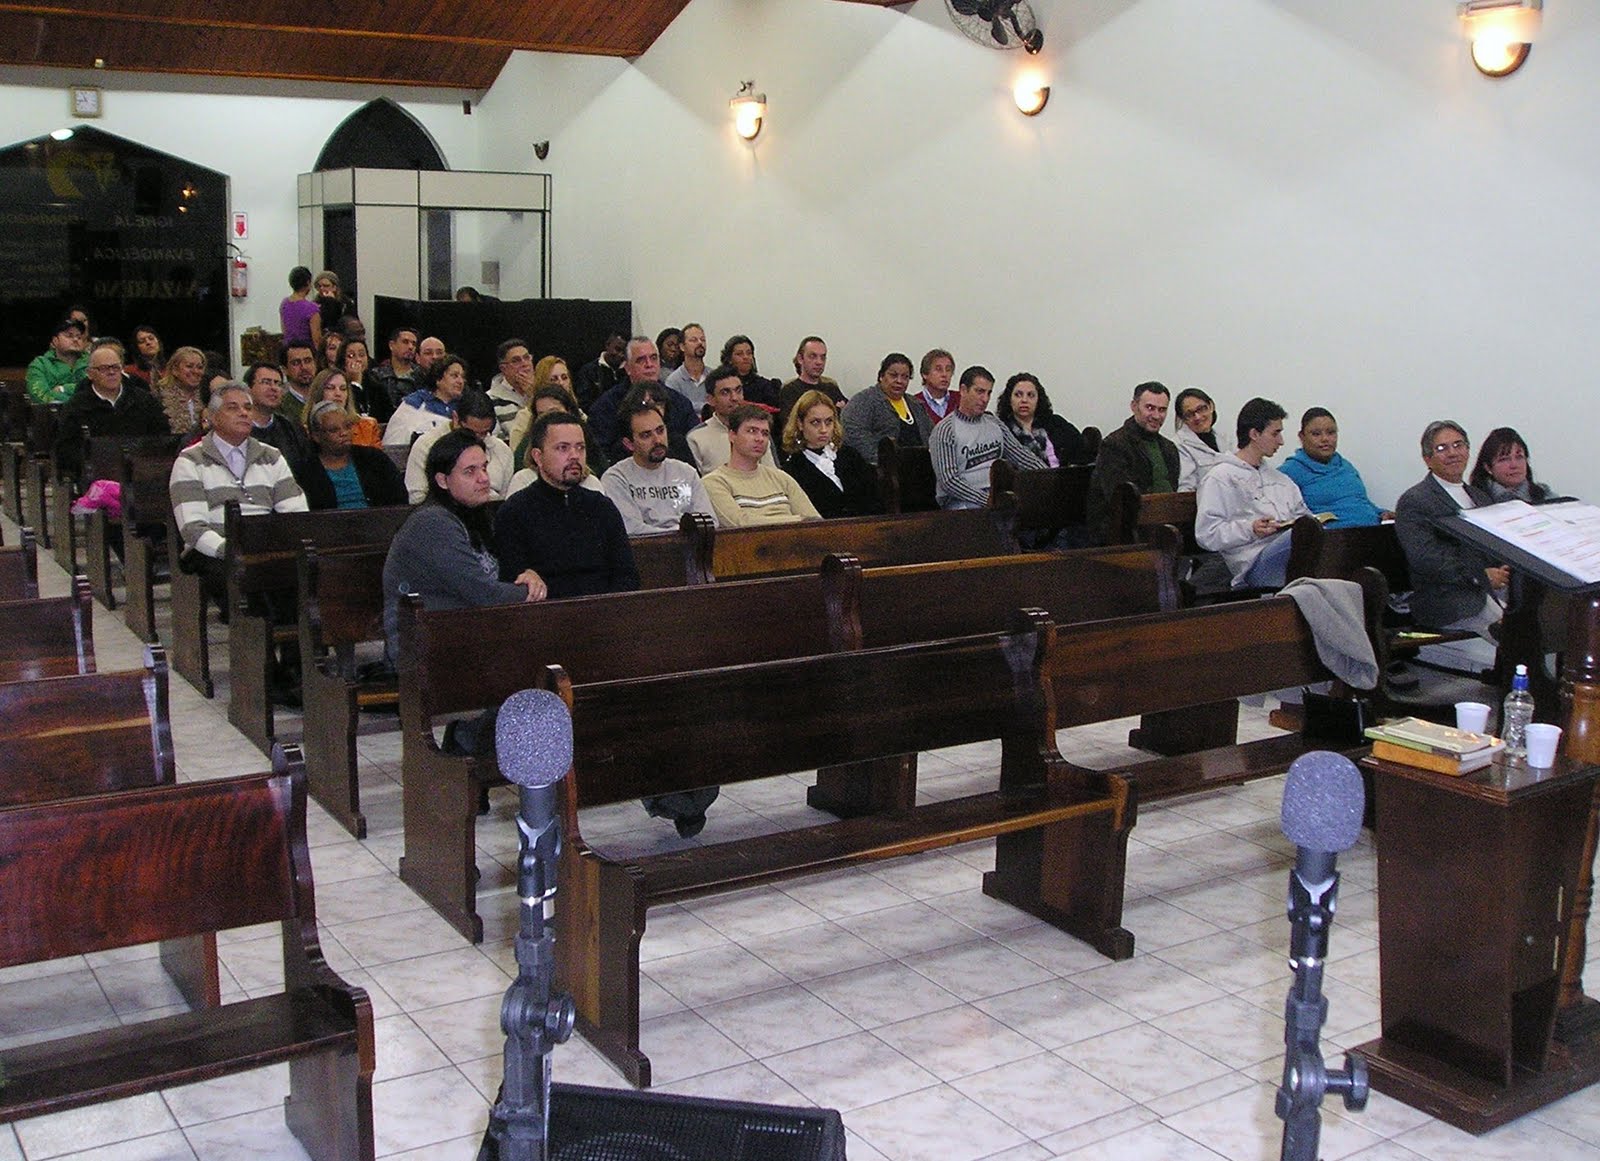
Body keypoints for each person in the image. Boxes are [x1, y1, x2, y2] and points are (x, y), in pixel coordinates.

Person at [381, 430, 543, 740]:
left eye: (484, 467)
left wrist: (529, 576)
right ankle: (472, 739)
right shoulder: (432, 523)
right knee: (542, 659)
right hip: (423, 642)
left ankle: (480, 740)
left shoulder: (474, 516)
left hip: (464, 632)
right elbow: (483, 593)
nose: (483, 478)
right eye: (470, 471)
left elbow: (501, 577)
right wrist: (534, 593)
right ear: (442, 481)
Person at [171, 384, 309, 701]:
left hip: (263, 546)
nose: (244, 412)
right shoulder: (191, 461)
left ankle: (299, 671)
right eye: (233, 407)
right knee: (244, 585)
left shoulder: (270, 456)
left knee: (299, 580)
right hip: (213, 550)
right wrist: (230, 552)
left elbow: (294, 512)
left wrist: (283, 549)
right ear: (211, 417)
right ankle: (265, 676)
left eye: (247, 406)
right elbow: (192, 528)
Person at [493, 411, 639, 598]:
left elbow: (627, 576)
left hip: (605, 613)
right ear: (538, 456)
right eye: (563, 448)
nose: (574, 456)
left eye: (580, 448)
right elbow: (513, 579)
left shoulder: (601, 507)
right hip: (545, 617)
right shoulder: (514, 512)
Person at [1396, 421, 1508, 639]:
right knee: (1515, 632)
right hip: (1447, 596)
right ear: (1427, 459)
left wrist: (1505, 570)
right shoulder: (1415, 501)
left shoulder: (1480, 497)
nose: (1452, 453)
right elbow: (1425, 558)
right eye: (1442, 448)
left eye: (1458, 445)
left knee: (1543, 615)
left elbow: (1496, 546)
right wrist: (1480, 576)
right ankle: (1525, 673)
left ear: (1468, 451)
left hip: (1491, 589)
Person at [1195, 397, 1310, 589]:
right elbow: (1207, 534)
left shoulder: (1280, 480)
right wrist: (1250, 529)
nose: (1281, 441)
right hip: (1252, 564)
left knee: (1319, 533)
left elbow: (1303, 517)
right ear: (1255, 434)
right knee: (1299, 537)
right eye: (1276, 433)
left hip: (1286, 555)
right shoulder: (1220, 478)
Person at [929, 366, 1047, 510]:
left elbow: (1020, 455)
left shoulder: (994, 423)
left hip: (997, 495)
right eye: (979, 392)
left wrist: (1048, 478)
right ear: (963, 390)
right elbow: (949, 481)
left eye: (988, 393)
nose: (985, 399)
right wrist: (988, 500)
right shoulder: (945, 430)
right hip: (962, 502)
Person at [52, 339, 171, 480]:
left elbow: (161, 437)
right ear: (90, 373)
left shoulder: (144, 400)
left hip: (141, 474)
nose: (111, 373)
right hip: (95, 478)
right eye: (104, 368)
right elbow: (66, 451)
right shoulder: (76, 407)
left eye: (115, 367)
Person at [601, 397, 717, 535]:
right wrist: (680, 536)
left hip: (692, 550)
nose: (657, 440)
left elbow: (709, 522)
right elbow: (631, 530)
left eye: (660, 430)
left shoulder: (686, 472)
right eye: (646, 435)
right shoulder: (616, 478)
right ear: (629, 444)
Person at [1087, 381, 1181, 544]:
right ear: (1134, 406)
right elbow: (1120, 499)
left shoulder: (1169, 448)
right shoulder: (1115, 445)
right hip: (1124, 532)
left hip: (1164, 524)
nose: (1157, 416)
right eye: (1150, 408)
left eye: (1162, 410)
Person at [704, 405, 822, 527]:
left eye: (765, 433)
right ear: (732, 435)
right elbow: (740, 523)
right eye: (751, 431)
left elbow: (814, 521)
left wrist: (801, 521)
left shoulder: (781, 478)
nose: (760, 439)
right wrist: (797, 521)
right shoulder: (715, 482)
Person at [588, 337, 697, 462]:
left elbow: (693, 445)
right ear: (627, 368)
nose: (649, 364)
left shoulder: (680, 403)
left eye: (653, 358)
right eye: (641, 360)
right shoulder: (605, 406)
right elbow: (601, 455)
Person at [1279, 407, 1390, 526]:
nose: (1325, 439)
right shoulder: (1289, 472)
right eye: (1316, 434)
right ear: (1302, 437)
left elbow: (1360, 502)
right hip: (1333, 539)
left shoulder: (1345, 466)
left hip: (1374, 532)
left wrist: (1382, 513)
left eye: (1331, 432)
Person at [780, 390, 879, 518]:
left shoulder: (851, 456)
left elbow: (874, 499)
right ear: (800, 424)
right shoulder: (792, 469)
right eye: (815, 422)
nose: (823, 430)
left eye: (828, 422)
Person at [292, 400, 406, 511]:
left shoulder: (375, 459)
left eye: (347, 426)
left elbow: (400, 501)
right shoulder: (304, 471)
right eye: (334, 430)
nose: (343, 433)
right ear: (316, 436)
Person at [406, 390, 514, 503]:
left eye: (484, 433)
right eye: (472, 432)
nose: (477, 438)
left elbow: (505, 501)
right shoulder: (425, 446)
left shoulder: (501, 450)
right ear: (456, 419)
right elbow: (417, 497)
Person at [841, 352, 930, 466]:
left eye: (905, 377)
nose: (899, 381)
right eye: (893, 375)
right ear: (881, 376)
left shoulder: (916, 405)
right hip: (881, 472)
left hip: (921, 469)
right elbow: (854, 435)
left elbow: (931, 436)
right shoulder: (863, 401)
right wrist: (885, 461)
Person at [688, 363, 777, 475]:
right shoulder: (696, 437)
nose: (734, 398)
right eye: (725, 393)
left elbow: (775, 476)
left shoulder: (759, 432)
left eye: (738, 391)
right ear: (711, 400)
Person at [997, 372, 1085, 467]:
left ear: (1038, 400)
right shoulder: (1002, 430)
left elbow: (1082, 450)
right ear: (1009, 399)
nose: (1024, 400)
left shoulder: (1056, 422)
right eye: (1018, 395)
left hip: (1064, 478)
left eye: (1030, 395)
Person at [384, 354, 467, 447]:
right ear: (438, 379)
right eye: (454, 376)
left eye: (462, 377)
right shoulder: (414, 404)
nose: (460, 381)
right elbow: (394, 444)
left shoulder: (467, 406)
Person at [243, 361, 311, 467]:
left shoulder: (292, 429)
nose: (273, 388)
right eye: (266, 382)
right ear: (248, 389)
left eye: (278, 383)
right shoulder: (238, 429)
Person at [776, 335, 844, 435]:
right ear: (800, 359)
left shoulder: (831, 387)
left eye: (823, 357)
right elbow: (791, 426)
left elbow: (844, 416)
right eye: (813, 356)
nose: (819, 362)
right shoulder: (789, 391)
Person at [1470, 427, 1555, 503]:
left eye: (1519, 457)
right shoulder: (1474, 500)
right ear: (1488, 467)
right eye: (1504, 459)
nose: (1514, 465)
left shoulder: (1544, 495)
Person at [305, 368, 381, 448]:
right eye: (330, 388)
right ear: (318, 393)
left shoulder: (367, 426)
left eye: (343, 389)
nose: (338, 394)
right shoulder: (305, 430)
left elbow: (379, 458)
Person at [1172, 387, 1229, 493]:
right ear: (1183, 419)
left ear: (1211, 406)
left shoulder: (1224, 439)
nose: (1197, 417)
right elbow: (1185, 489)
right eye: (1189, 414)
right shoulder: (1179, 445)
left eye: (1201, 409)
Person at [26, 317, 86, 404]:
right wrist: (76, 402)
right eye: (69, 335)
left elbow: (99, 392)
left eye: (79, 337)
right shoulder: (39, 365)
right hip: (53, 415)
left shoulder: (92, 362)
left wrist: (63, 389)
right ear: (55, 341)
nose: (75, 339)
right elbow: (40, 396)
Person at [367, 326, 422, 420]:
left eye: (414, 344)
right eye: (405, 342)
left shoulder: (422, 376)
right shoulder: (376, 375)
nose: (410, 347)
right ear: (391, 345)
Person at [153, 345, 208, 437]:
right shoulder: (158, 398)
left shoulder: (208, 397)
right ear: (175, 370)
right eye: (189, 366)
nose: (195, 371)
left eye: (200, 367)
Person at [486, 338, 538, 433]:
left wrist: (534, 394)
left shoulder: (545, 391)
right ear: (503, 368)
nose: (525, 364)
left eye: (527, 358)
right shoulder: (489, 400)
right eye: (516, 361)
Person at [720, 334, 780, 409]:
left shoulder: (765, 386)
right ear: (729, 359)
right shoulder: (721, 384)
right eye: (739, 354)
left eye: (749, 353)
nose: (745, 357)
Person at [575, 328, 627, 409]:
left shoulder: (629, 372)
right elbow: (584, 403)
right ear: (607, 345)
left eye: (624, 352)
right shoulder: (589, 371)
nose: (621, 355)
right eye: (617, 349)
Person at [910, 348, 958, 427]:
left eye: (948, 369)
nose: (944, 374)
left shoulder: (961, 400)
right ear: (925, 374)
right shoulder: (914, 403)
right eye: (938, 369)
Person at [279, 266, 322, 352]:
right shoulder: (312, 309)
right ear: (308, 282)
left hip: (289, 350)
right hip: (306, 351)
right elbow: (316, 339)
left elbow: (284, 331)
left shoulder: (284, 304)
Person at [664, 323, 709, 405]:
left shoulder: (714, 377)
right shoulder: (673, 381)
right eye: (694, 340)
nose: (700, 343)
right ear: (682, 347)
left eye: (703, 339)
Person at [277, 340, 318, 427]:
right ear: (285, 370)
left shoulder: (326, 397)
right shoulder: (280, 406)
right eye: (296, 363)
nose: (304, 367)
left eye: (308, 361)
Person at [335, 336, 376, 418]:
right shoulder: (338, 387)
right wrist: (355, 381)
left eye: (361, 355)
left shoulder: (377, 388)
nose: (358, 359)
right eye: (351, 355)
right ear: (343, 361)